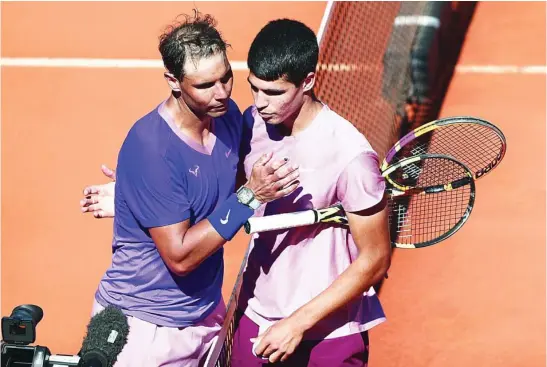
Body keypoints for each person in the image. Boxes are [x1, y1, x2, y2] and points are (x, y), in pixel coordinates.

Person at [82, 18, 391, 367]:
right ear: (173, 81)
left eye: (227, 78)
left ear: (308, 82)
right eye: (253, 89)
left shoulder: (347, 154)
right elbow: (219, 208)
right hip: (192, 323)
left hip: (316, 332)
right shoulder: (247, 125)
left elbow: (376, 258)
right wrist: (134, 198)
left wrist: (297, 323)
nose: (249, 101)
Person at [81, 11, 300, 367]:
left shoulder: (227, 118)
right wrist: (250, 197)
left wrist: (130, 200)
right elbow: (181, 257)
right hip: (144, 330)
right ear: (173, 81)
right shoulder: (151, 148)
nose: (222, 93)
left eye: (226, 78)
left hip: (202, 314)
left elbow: (216, 185)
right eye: (204, 85)